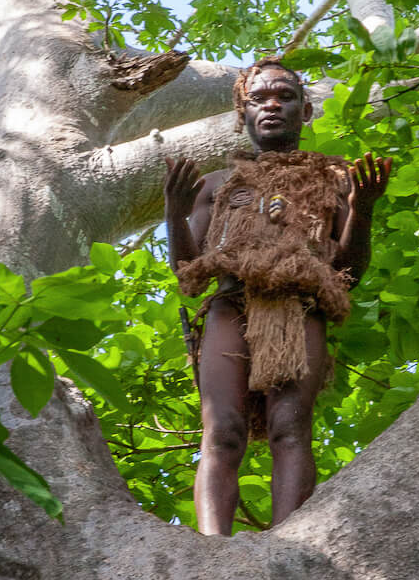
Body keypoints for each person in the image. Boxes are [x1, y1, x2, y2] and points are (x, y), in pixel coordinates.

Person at [164, 58, 391, 536]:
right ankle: (211, 546)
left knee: (290, 425)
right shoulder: (216, 186)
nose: (271, 105)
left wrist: (361, 211)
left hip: (299, 308)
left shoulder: (334, 180)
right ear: (240, 115)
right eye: (258, 98)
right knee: (222, 431)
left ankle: (286, 541)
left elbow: (346, 272)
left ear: (306, 111)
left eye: (285, 97)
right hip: (230, 306)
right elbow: (189, 274)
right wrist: (174, 214)